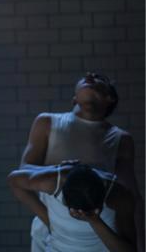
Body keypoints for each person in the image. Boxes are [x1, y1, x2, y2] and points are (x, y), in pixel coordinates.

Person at [19, 72, 144, 251]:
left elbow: (132, 196)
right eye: (87, 77)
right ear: (74, 98)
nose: (90, 75)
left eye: (100, 78)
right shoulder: (47, 122)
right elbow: (23, 173)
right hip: (53, 231)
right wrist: (50, 219)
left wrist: (140, 244)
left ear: (110, 98)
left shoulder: (120, 138)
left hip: (99, 229)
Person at [8, 163, 137, 252]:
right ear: (64, 198)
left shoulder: (119, 196)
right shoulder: (52, 181)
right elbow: (14, 180)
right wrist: (47, 220)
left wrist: (95, 221)